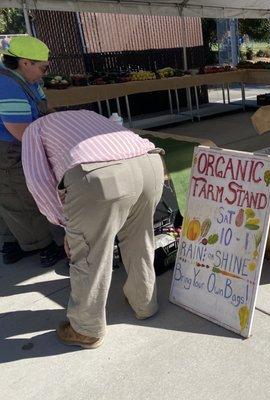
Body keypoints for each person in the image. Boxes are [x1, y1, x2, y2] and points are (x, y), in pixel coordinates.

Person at [22, 110, 165, 349]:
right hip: (150, 162)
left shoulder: (34, 130)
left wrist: (65, 224)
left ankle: (86, 329)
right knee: (140, 238)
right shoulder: (86, 114)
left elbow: (38, 182)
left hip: (99, 176)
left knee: (90, 253)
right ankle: (145, 304)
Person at [0, 35, 64, 267]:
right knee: (21, 195)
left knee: (8, 200)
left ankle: (12, 243)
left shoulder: (28, 79)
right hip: (8, 149)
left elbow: (43, 106)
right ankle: (43, 248)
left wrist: (63, 119)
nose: (44, 73)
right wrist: (54, 144)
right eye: (43, 67)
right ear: (25, 62)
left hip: (16, 142)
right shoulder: (7, 84)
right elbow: (20, 130)